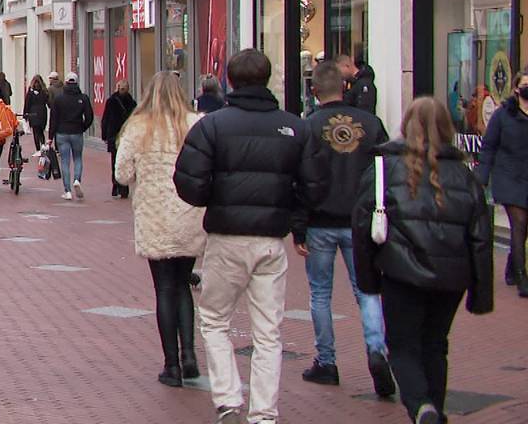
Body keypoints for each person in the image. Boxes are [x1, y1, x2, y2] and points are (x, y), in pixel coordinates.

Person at [174, 49, 328, 424]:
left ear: (230, 80)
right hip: (270, 240)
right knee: (268, 331)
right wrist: (292, 215)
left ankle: (228, 401)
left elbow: (188, 180)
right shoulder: (295, 127)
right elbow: (315, 186)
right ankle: (263, 412)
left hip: (226, 237)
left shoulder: (212, 126)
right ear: (267, 78)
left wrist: (216, 196)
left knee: (214, 320)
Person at [352, 97, 494, 424]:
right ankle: (434, 409)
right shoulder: (465, 176)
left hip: (402, 273)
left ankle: (420, 407)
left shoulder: (385, 170)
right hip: (451, 277)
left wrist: (369, 280)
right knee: (435, 344)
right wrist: (481, 292)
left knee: (402, 345)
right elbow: (481, 238)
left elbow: (362, 226)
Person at [291, 61, 394, 396]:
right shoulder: (371, 123)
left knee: (321, 293)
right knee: (366, 289)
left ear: (315, 91)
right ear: (344, 87)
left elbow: (300, 179)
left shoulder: (308, 127)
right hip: (359, 220)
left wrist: (300, 226)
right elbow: (385, 170)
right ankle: (376, 349)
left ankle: (327, 361)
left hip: (321, 220)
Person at [114, 71, 204, 389]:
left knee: (164, 289)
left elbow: (123, 174)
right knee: (182, 285)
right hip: (189, 214)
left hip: (155, 215)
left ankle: (172, 365)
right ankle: (190, 355)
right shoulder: (195, 124)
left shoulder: (139, 127)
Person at [476, 67, 528, 296]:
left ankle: (511, 265)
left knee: (524, 229)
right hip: (508, 177)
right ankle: (522, 278)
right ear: (516, 88)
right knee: (519, 224)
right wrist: (482, 177)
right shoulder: (502, 115)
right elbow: (488, 147)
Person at [48, 72, 94, 201]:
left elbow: (53, 119)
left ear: (66, 82)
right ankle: (77, 180)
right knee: (78, 158)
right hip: (77, 132)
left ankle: (67, 190)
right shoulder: (83, 98)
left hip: (62, 133)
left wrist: (50, 136)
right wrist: (83, 127)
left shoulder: (59, 99)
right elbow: (89, 117)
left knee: (65, 161)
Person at [100, 80, 137, 198]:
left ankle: (120, 187)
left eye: (124, 89)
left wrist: (105, 135)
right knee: (119, 161)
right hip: (119, 136)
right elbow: (105, 119)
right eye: (122, 89)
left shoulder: (130, 103)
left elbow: (105, 119)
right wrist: (105, 135)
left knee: (120, 161)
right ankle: (118, 186)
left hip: (122, 136)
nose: (123, 91)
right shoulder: (116, 102)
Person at [23, 75, 51, 152]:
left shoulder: (30, 92)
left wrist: (25, 115)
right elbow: (48, 102)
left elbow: (27, 104)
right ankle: (42, 145)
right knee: (41, 131)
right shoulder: (44, 91)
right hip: (42, 112)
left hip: (33, 113)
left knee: (35, 131)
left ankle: (38, 149)